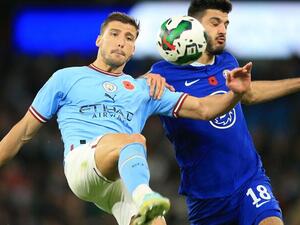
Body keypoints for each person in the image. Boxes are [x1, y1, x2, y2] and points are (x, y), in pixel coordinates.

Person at [0, 12, 252, 225]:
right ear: (99, 40)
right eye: (114, 34)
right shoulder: (66, 78)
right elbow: (23, 131)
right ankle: (144, 195)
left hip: (122, 180)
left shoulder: (145, 89)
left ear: (133, 50)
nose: (121, 41)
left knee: (155, 220)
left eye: (129, 38)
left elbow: (203, 108)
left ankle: (143, 200)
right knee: (131, 140)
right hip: (83, 164)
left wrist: (235, 94)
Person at [150, 0, 300, 225]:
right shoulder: (164, 74)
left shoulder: (227, 61)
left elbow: (248, 93)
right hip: (205, 197)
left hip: (249, 180)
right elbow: (131, 92)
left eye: (226, 24)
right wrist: (145, 81)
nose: (222, 30)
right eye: (215, 23)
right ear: (193, 27)